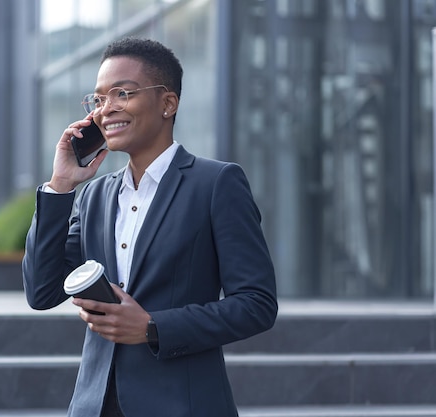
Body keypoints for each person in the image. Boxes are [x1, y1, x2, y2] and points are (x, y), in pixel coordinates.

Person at [22, 37, 277, 417]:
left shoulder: (216, 183)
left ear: (168, 103)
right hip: (95, 406)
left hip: (182, 405)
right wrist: (60, 186)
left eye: (122, 93)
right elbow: (41, 292)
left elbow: (256, 304)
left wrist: (153, 326)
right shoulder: (94, 197)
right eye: (99, 99)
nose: (106, 110)